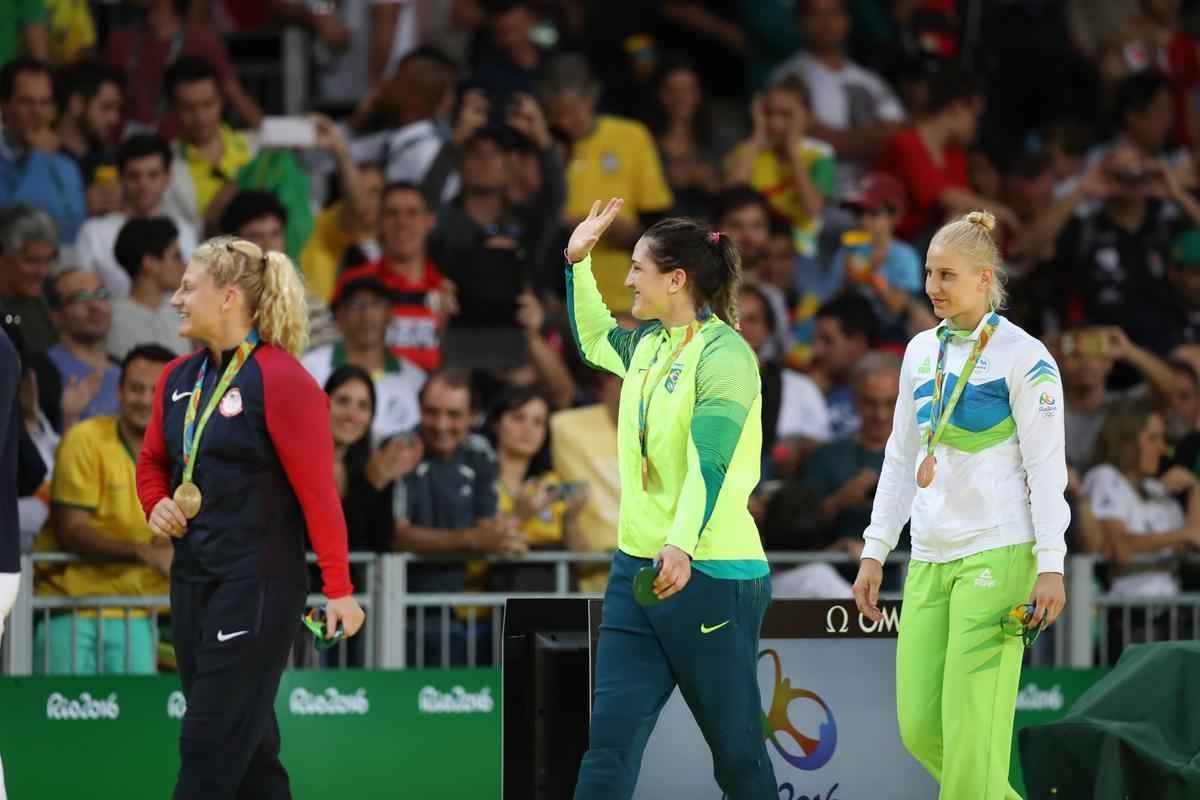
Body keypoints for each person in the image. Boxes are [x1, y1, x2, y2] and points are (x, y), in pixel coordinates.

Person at [135, 236, 365, 798]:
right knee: (252, 751)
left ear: (230, 297)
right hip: (192, 581)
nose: (176, 300)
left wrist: (339, 588)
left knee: (209, 741)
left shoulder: (283, 381)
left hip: (257, 587)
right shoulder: (175, 379)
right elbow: (151, 463)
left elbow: (319, 495)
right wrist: (156, 503)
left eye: (189, 287)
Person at [852, 211, 1069, 800]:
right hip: (928, 555)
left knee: (973, 738)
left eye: (947, 274)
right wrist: (876, 550)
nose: (932, 287)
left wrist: (1052, 564)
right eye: (927, 272)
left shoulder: (1026, 358)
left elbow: (1049, 471)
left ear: (984, 277)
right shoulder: (920, 351)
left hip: (997, 556)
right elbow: (900, 456)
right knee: (921, 728)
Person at [566, 199, 776, 799]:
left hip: (707, 572)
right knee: (608, 745)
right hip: (637, 570)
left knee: (737, 757)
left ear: (676, 279)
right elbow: (594, 340)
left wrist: (680, 546)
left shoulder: (726, 357)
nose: (628, 279)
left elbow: (709, 465)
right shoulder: (650, 345)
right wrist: (577, 262)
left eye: (637, 268)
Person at [32, 344, 176, 674]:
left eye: (156, 391)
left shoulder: (184, 454)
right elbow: (72, 532)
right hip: (70, 608)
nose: (144, 400)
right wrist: (142, 552)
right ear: (120, 391)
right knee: (58, 720)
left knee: (136, 722)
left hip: (139, 612)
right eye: (136, 389)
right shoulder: (86, 439)